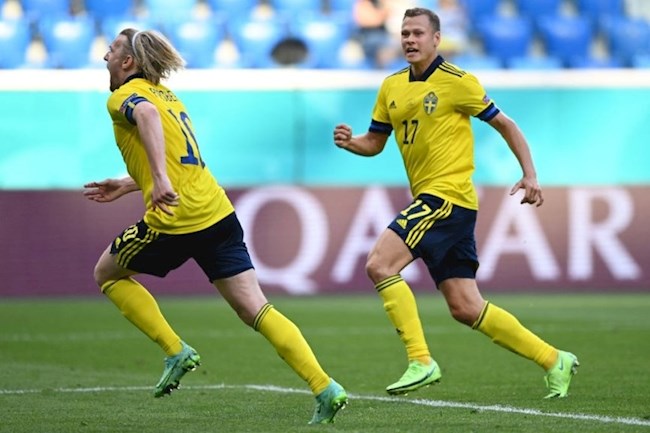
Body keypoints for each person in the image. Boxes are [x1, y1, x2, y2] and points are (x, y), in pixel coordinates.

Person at [84, 28, 347, 424]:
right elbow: (177, 155)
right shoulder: (169, 97)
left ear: (128, 62)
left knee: (106, 274)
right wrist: (128, 183)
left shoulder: (123, 97)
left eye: (111, 51)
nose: (105, 57)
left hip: (175, 218)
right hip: (217, 211)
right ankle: (325, 386)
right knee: (255, 308)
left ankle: (175, 351)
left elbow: (147, 119)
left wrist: (160, 179)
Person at [332, 8, 579, 399]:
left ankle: (420, 360)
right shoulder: (391, 86)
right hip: (441, 204)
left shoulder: (458, 82)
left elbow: (506, 124)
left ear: (436, 38)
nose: (409, 40)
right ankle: (553, 359)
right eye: (405, 33)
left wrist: (530, 174)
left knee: (380, 264)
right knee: (465, 307)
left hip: (446, 197)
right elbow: (375, 142)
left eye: (418, 33)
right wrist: (351, 143)